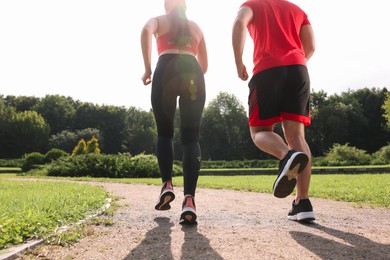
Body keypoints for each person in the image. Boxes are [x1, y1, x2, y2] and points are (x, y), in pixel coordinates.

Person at [232, 0, 316, 222]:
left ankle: (286, 155)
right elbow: (311, 47)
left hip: (267, 70)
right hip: (299, 70)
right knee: (297, 136)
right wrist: (295, 61)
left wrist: (238, 61)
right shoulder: (297, 10)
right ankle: (302, 203)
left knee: (258, 131)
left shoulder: (252, 5)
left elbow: (239, 24)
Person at [141, 0, 208, 225]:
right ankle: (189, 200)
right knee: (191, 139)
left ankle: (167, 184)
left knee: (165, 134)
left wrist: (148, 68)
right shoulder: (197, 27)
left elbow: (145, 30)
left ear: (166, 5)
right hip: (193, 72)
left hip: (165, 68)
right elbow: (205, 65)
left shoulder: (158, 21)